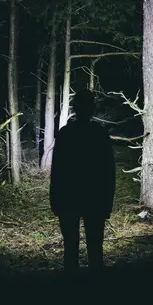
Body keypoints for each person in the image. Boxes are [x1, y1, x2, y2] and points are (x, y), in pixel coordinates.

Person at [50, 89, 116, 271]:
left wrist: (55, 200)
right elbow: (109, 172)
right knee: (95, 250)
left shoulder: (66, 134)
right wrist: (107, 202)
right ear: (91, 109)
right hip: (93, 198)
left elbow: (57, 170)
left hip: (70, 197)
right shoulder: (99, 134)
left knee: (71, 249)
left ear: (75, 108)